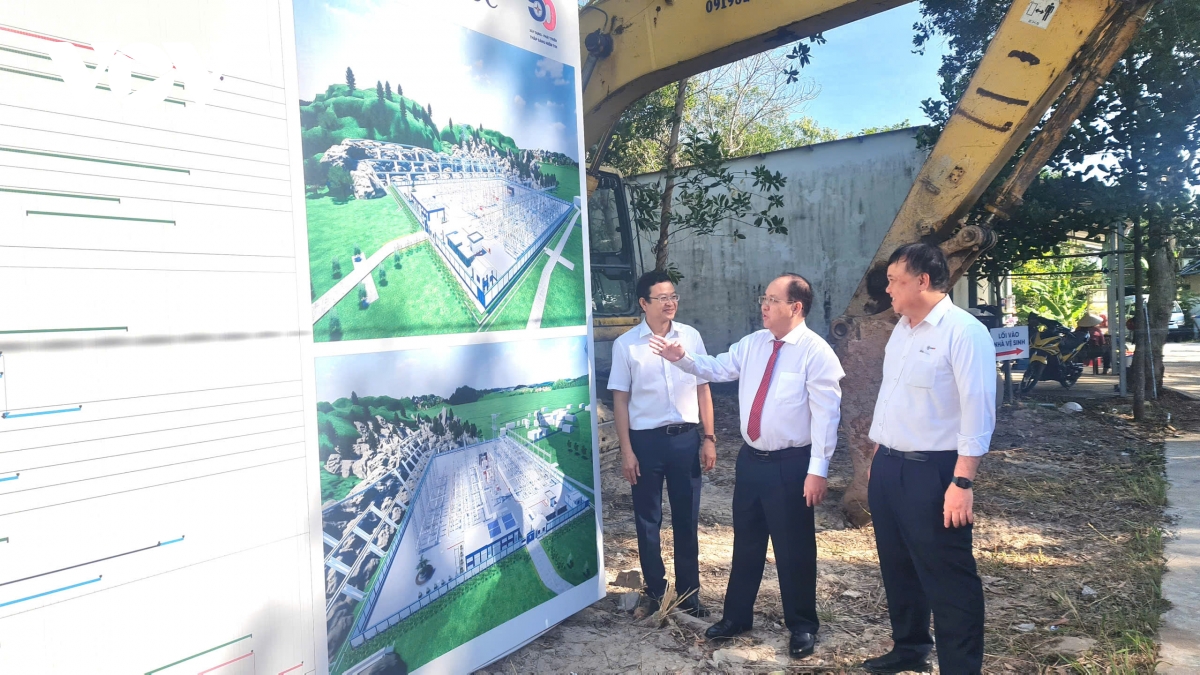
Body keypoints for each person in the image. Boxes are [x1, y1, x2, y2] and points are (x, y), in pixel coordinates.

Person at [650, 273, 844, 659]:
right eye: (763, 298)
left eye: (772, 299)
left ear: (796, 307)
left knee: (793, 548)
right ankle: (737, 617)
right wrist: (681, 359)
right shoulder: (754, 343)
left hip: (791, 463)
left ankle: (802, 625)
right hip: (751, 460)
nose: (764, 306)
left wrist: (818, 470)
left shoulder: (815, 352)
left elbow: (827, 415)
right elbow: (718, 368)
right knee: (747, 542)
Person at [863, 243, 995, 675]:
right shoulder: (903, 328)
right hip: (890, 466)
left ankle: (960, 667)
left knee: (948, 574)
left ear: (922, 281)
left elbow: (978, 410)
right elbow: (893, 397)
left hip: (934, 472)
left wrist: (962, 482)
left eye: (894, 281)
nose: (887, 289)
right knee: (898, 566)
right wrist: (878, 456)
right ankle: (910, 647)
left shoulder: (964, 332)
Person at [609, 270, 716, 617]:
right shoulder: (626, 345)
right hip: (646, 443)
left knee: (686, 520)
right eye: (662, 298)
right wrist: (627, 450)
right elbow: (620, 400)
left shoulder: (690, 336)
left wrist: (709, 438)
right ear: (644, 303)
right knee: (648, 520)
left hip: (685, 440)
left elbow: (703, 386)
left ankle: (689, 596)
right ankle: (656, 592)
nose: (670, 303)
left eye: (673, 296)